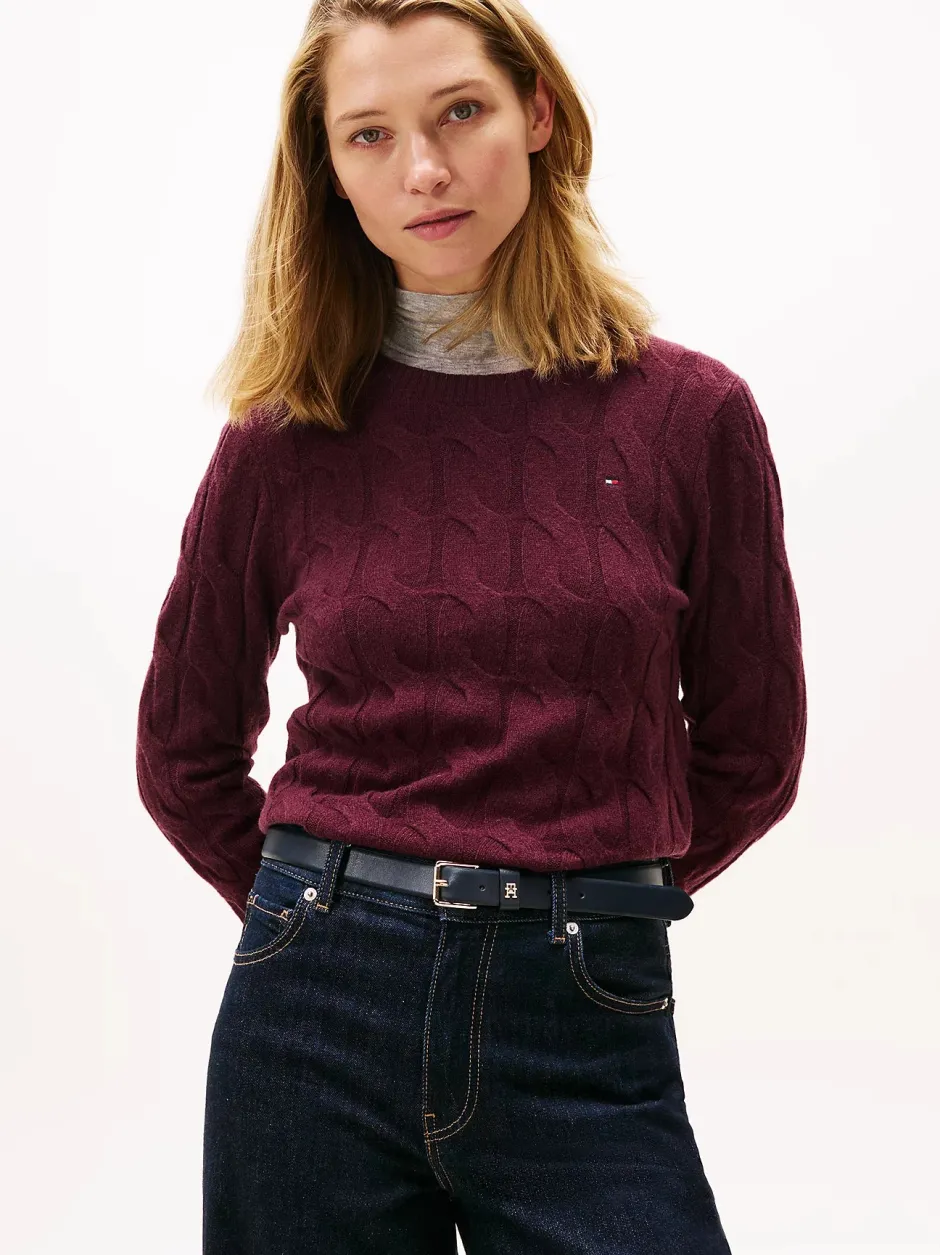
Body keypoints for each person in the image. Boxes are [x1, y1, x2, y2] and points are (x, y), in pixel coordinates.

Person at [135, 2, 807, 1251]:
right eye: (369, 135)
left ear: (535, 112)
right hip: (310, 1020)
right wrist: (310, 917)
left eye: (459, 112)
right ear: (330, 171)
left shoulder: (691, 418)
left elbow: (753, 752)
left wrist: (593, 900)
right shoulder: (283, 436)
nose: (424, 170)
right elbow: (181, 753)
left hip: (585, 1013)